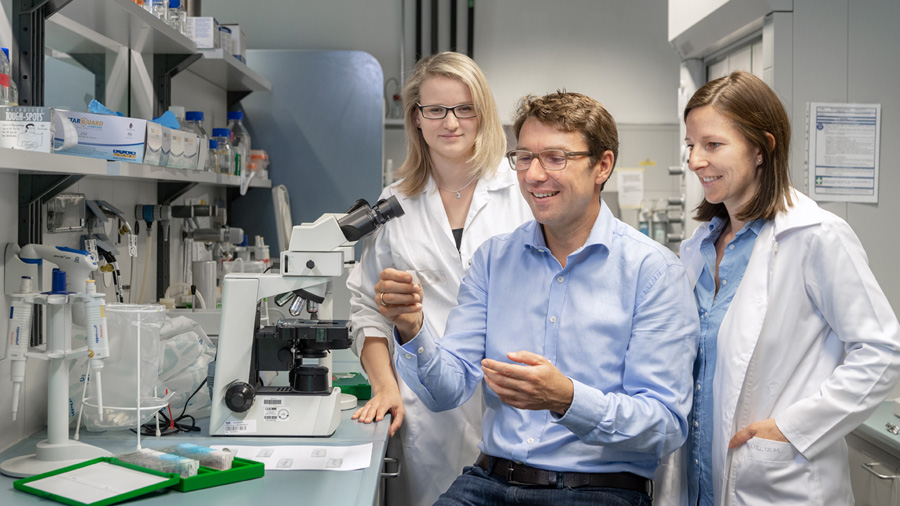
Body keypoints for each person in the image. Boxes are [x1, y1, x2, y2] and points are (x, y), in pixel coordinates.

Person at [377, 91, 699, 506]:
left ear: (602, 165)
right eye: (524, 157)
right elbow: (445, 391)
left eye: (555, 158)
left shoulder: (653, 272)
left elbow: (665, 425)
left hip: (596, 491)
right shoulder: (493, 260)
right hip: (488, 481)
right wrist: (410, 326)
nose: (533, 175)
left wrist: (567, 398)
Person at [672, 70, 900, 506]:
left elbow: (881, 351)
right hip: (699, 479)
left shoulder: (816, 236)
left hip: (775, 480)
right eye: (691, 145)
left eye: (713, 145)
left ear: (762, 148)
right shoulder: (698, 247)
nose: (696, 160)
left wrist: (791, 429)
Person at [346, 52, 533, 506]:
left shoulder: (522, 191)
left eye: (464, 108)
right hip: (424, 410)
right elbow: (365, 306)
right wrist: (385, 385)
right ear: (417, 118)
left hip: (512, 401)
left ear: (483, 114)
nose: (451, 122)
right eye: (435, 109)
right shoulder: (395, 202)